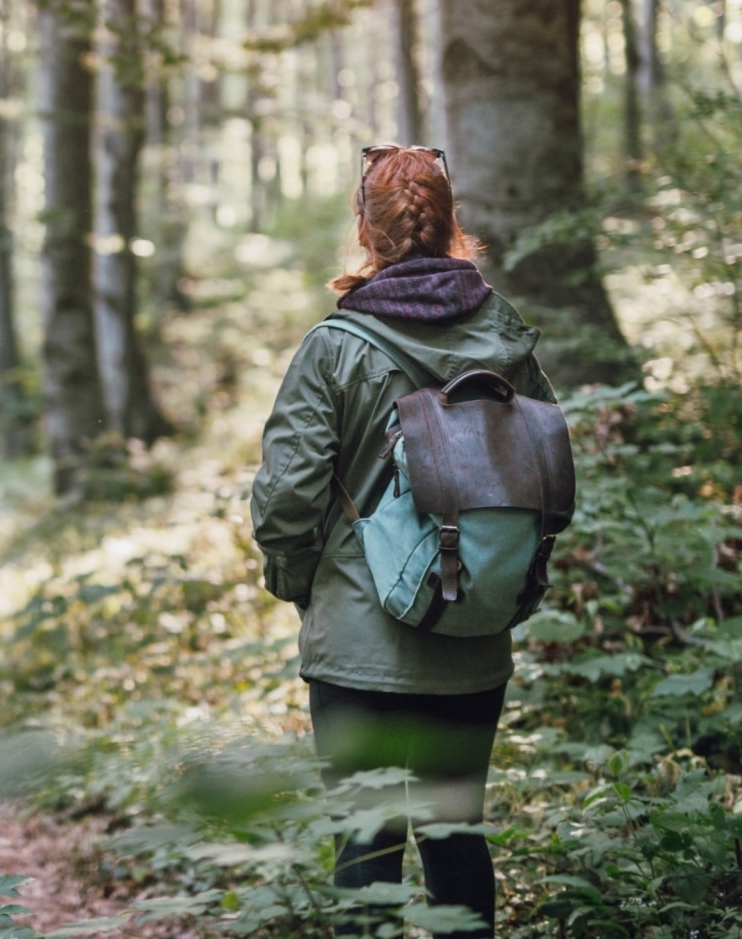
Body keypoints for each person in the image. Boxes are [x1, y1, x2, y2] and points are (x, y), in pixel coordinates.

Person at [249, 145, 557, 939]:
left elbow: (286, 502)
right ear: (454, 225)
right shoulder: (509, 339)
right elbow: (547, 480)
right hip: (473, 635)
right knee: (457, 838)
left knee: (366, 849)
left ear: (366, 229)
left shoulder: (335, 347)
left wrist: (300, 582)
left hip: (359, 646)